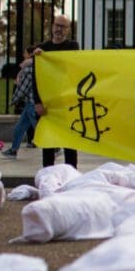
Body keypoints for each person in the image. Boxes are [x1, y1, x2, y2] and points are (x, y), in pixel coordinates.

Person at [33, 15, 81, 169]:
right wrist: (37, 101)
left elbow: (68, 61)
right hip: (48, 103)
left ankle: (71, 173)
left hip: (66, 101)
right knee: (48, 142)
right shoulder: (43, 48)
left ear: (68, 30)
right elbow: (36, 78)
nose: (59, 29)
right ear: (52, 26)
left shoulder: (72, 46)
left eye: (63, 26)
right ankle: (48, 173)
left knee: (69, 141)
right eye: (57, 25)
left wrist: (44, 55)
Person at [3, 46, 39, 158]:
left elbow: (23, 88)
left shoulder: (28, 70)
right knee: (20, 127)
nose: (23, 55)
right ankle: (13, 150)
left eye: (25, 52)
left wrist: (13, 100)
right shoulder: (34, 67)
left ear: (30, 55)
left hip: (32, 103)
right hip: (30, 103)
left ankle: (56, 148)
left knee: (39, 128)